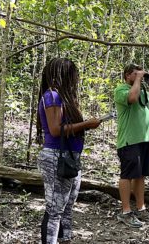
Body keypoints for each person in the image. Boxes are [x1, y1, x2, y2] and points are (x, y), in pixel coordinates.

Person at [37, 58, 101, 244]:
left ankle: (65, 239)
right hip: (56, 157)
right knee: (55, 209)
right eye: (72, 75)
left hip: (70, 158)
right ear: (63, 75)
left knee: (66, 207)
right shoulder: (52, 96)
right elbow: (56, 130)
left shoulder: (64, 98)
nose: (75, 79)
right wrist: (87, 124)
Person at [114, 63, 149, 227]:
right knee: (127, 175)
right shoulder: (121, 90)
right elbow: (132, 98)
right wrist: (138, 79)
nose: (139, 76)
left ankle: (141, 208)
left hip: (144, 140)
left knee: (141, 175)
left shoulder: (144, 92)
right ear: (127, 75)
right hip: (129, 140)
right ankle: (126, 211)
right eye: (136, 73)